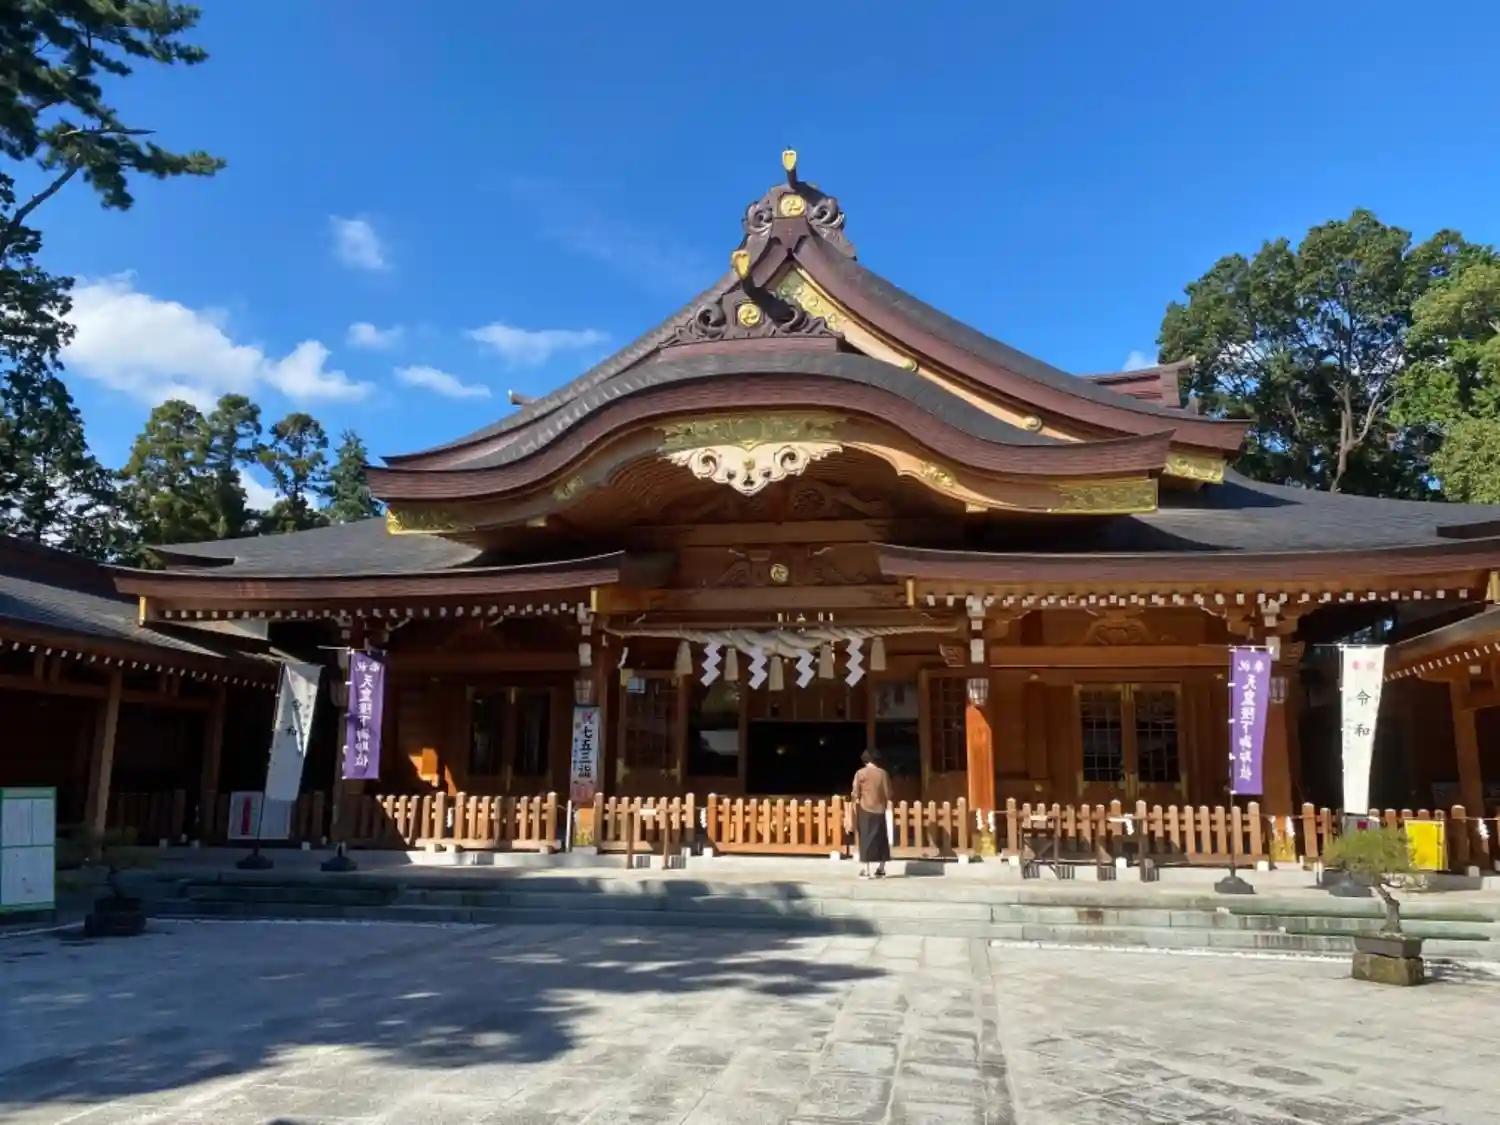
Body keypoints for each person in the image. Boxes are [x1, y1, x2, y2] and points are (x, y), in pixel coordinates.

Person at [851, 748, 892, 878]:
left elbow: (855, 792)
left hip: (865, 808)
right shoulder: (883, 774)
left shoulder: (860, 773)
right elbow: (889, 793)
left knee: (866, 838)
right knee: (881, 838)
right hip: (880, 809)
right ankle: (881, 868)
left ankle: (866, 869)